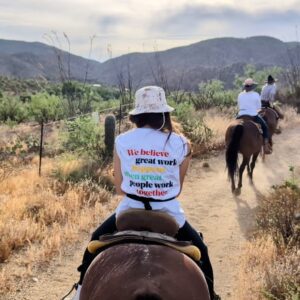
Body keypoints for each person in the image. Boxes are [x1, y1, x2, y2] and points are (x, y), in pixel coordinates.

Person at [70, 86, 218, 300]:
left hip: (130, 209)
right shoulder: (182, 143)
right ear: (164, 114)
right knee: (201, 251)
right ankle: (211, 295)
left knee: (93, 244)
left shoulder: (122, 140)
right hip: (169, 212)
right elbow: (178, 187)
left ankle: (81, 291)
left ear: (137, 114)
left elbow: (120, 188)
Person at [236, 78, 272, 154]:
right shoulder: (256, 94)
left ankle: (228, 144)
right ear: (252, 87)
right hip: (253, 115)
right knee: (265, 127)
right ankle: (265, 146)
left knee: (232, 125)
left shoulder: (240, 95)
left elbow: (238, 107)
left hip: (241, 115)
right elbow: (258, 107)